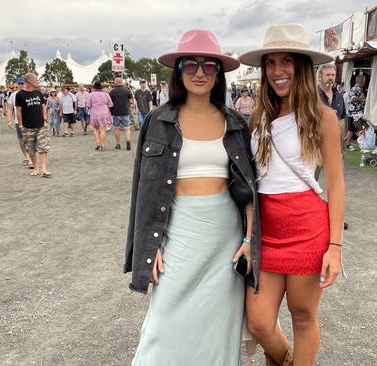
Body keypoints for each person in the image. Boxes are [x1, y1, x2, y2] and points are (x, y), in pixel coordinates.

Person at [125, 29, 259, 366]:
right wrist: (148, 246)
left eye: (209, 66)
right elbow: (144, 189)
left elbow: (248, 188)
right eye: (190, 65)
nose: (199, 73)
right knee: (164, 324)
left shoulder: (235, 123)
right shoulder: (158, 120)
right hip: (178, 233)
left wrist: (248, 238)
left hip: (223, 239)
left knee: (218, 328)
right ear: (178, 71)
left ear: (218, 74)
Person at [239, 23, 345, 366]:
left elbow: (335, 185)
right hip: (267, 232)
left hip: (307, 228)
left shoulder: (322, 117)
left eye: (286, 61)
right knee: (258, 321)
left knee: (302, 315)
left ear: (301, 67)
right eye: (270, 63)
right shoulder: (259, 117)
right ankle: (286, 359)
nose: (277, 71)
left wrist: (335, 247)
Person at [15, 73, 52, 178]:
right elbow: (18, 111)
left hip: (41, 125)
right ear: (30, 81)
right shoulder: (20, 94)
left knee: (43, 147)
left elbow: (43, 107)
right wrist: (21, 126)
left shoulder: (38, 93)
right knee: (31, 149)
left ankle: (44, 169)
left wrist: (45, 120)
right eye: (36, 80)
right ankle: (36, 168)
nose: (38, 81)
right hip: (27, 126)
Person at [6, 77, 33, 168]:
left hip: (29, 121)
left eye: (22, 83)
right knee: (21, 141)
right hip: (18, 122)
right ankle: (27, 157)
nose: (20, 85)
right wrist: (9, 120)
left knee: (30, 140)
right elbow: (9, 109)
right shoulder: (13, 95)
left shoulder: (29, 93)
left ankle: (30, 159)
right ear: (16, 84)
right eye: (19, 83)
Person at [108, 77, 134, 150]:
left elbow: (110, 103)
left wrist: (110, 111)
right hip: (125, 112)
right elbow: (131, 101)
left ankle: (118, 144)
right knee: (127, 128)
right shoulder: (127, 90)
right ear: (122, 83)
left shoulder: (112, 91)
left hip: (116, 112)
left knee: (117, 128)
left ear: (116, 83)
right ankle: (128, 141)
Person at [87, 81, 113, 151]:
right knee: (103, 130)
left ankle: (98, 143)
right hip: (104, 112)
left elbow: (88, 105)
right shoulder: (106, 94)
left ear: (94, 87)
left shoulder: (91, 94)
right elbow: (110, 104)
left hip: (95, 113)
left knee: (95, 129)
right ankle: (103, 145)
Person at [346, 74, 366, 151]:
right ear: (360, 81)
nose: (364, 82)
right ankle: (349, 144)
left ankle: (361, 144)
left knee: (358, 128)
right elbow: (353, 99)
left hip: (356, 112)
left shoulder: (358, 88)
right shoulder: (356, 89)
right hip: (355, 113)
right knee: (354, 128)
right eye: (364, 80)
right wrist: (361, 100)